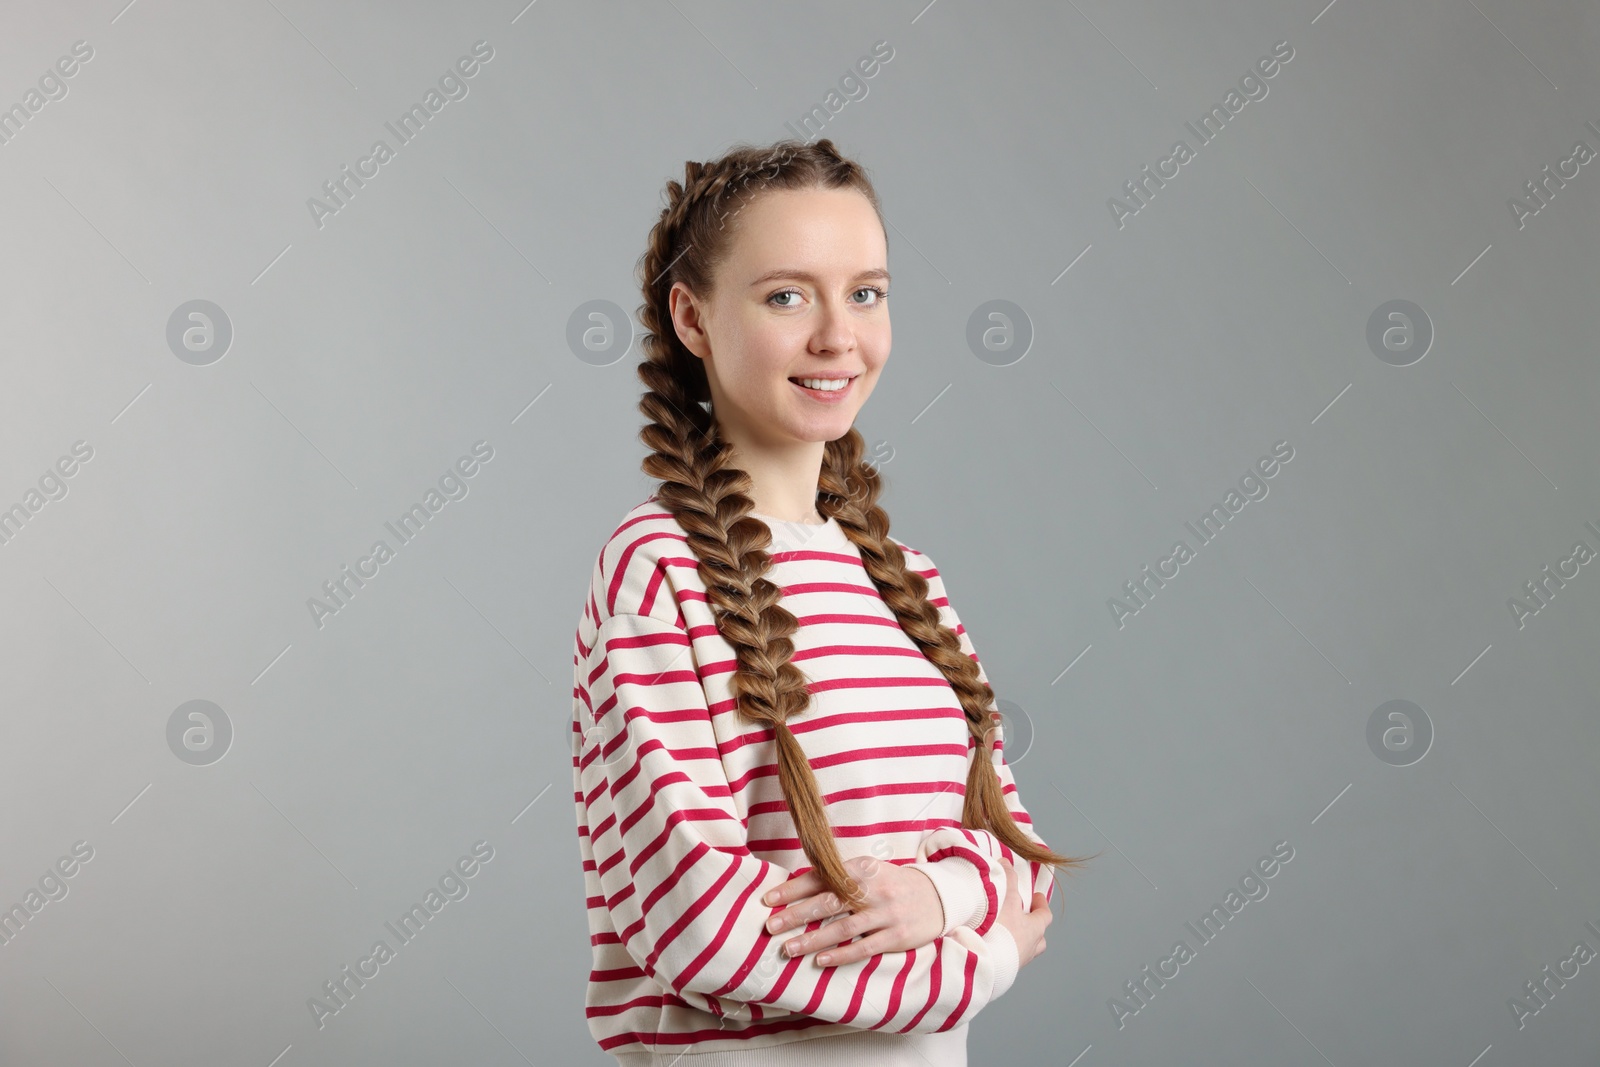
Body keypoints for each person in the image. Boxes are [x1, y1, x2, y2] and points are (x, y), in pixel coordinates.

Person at [570, 137, 1097, 1066]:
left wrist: (936, 899)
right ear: (691, 319)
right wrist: (977, 966)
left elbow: (1017, 851)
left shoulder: (907, 578)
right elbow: (699, 927)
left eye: (866, 292)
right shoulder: (657, 571)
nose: (837, 337)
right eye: (786, 294)